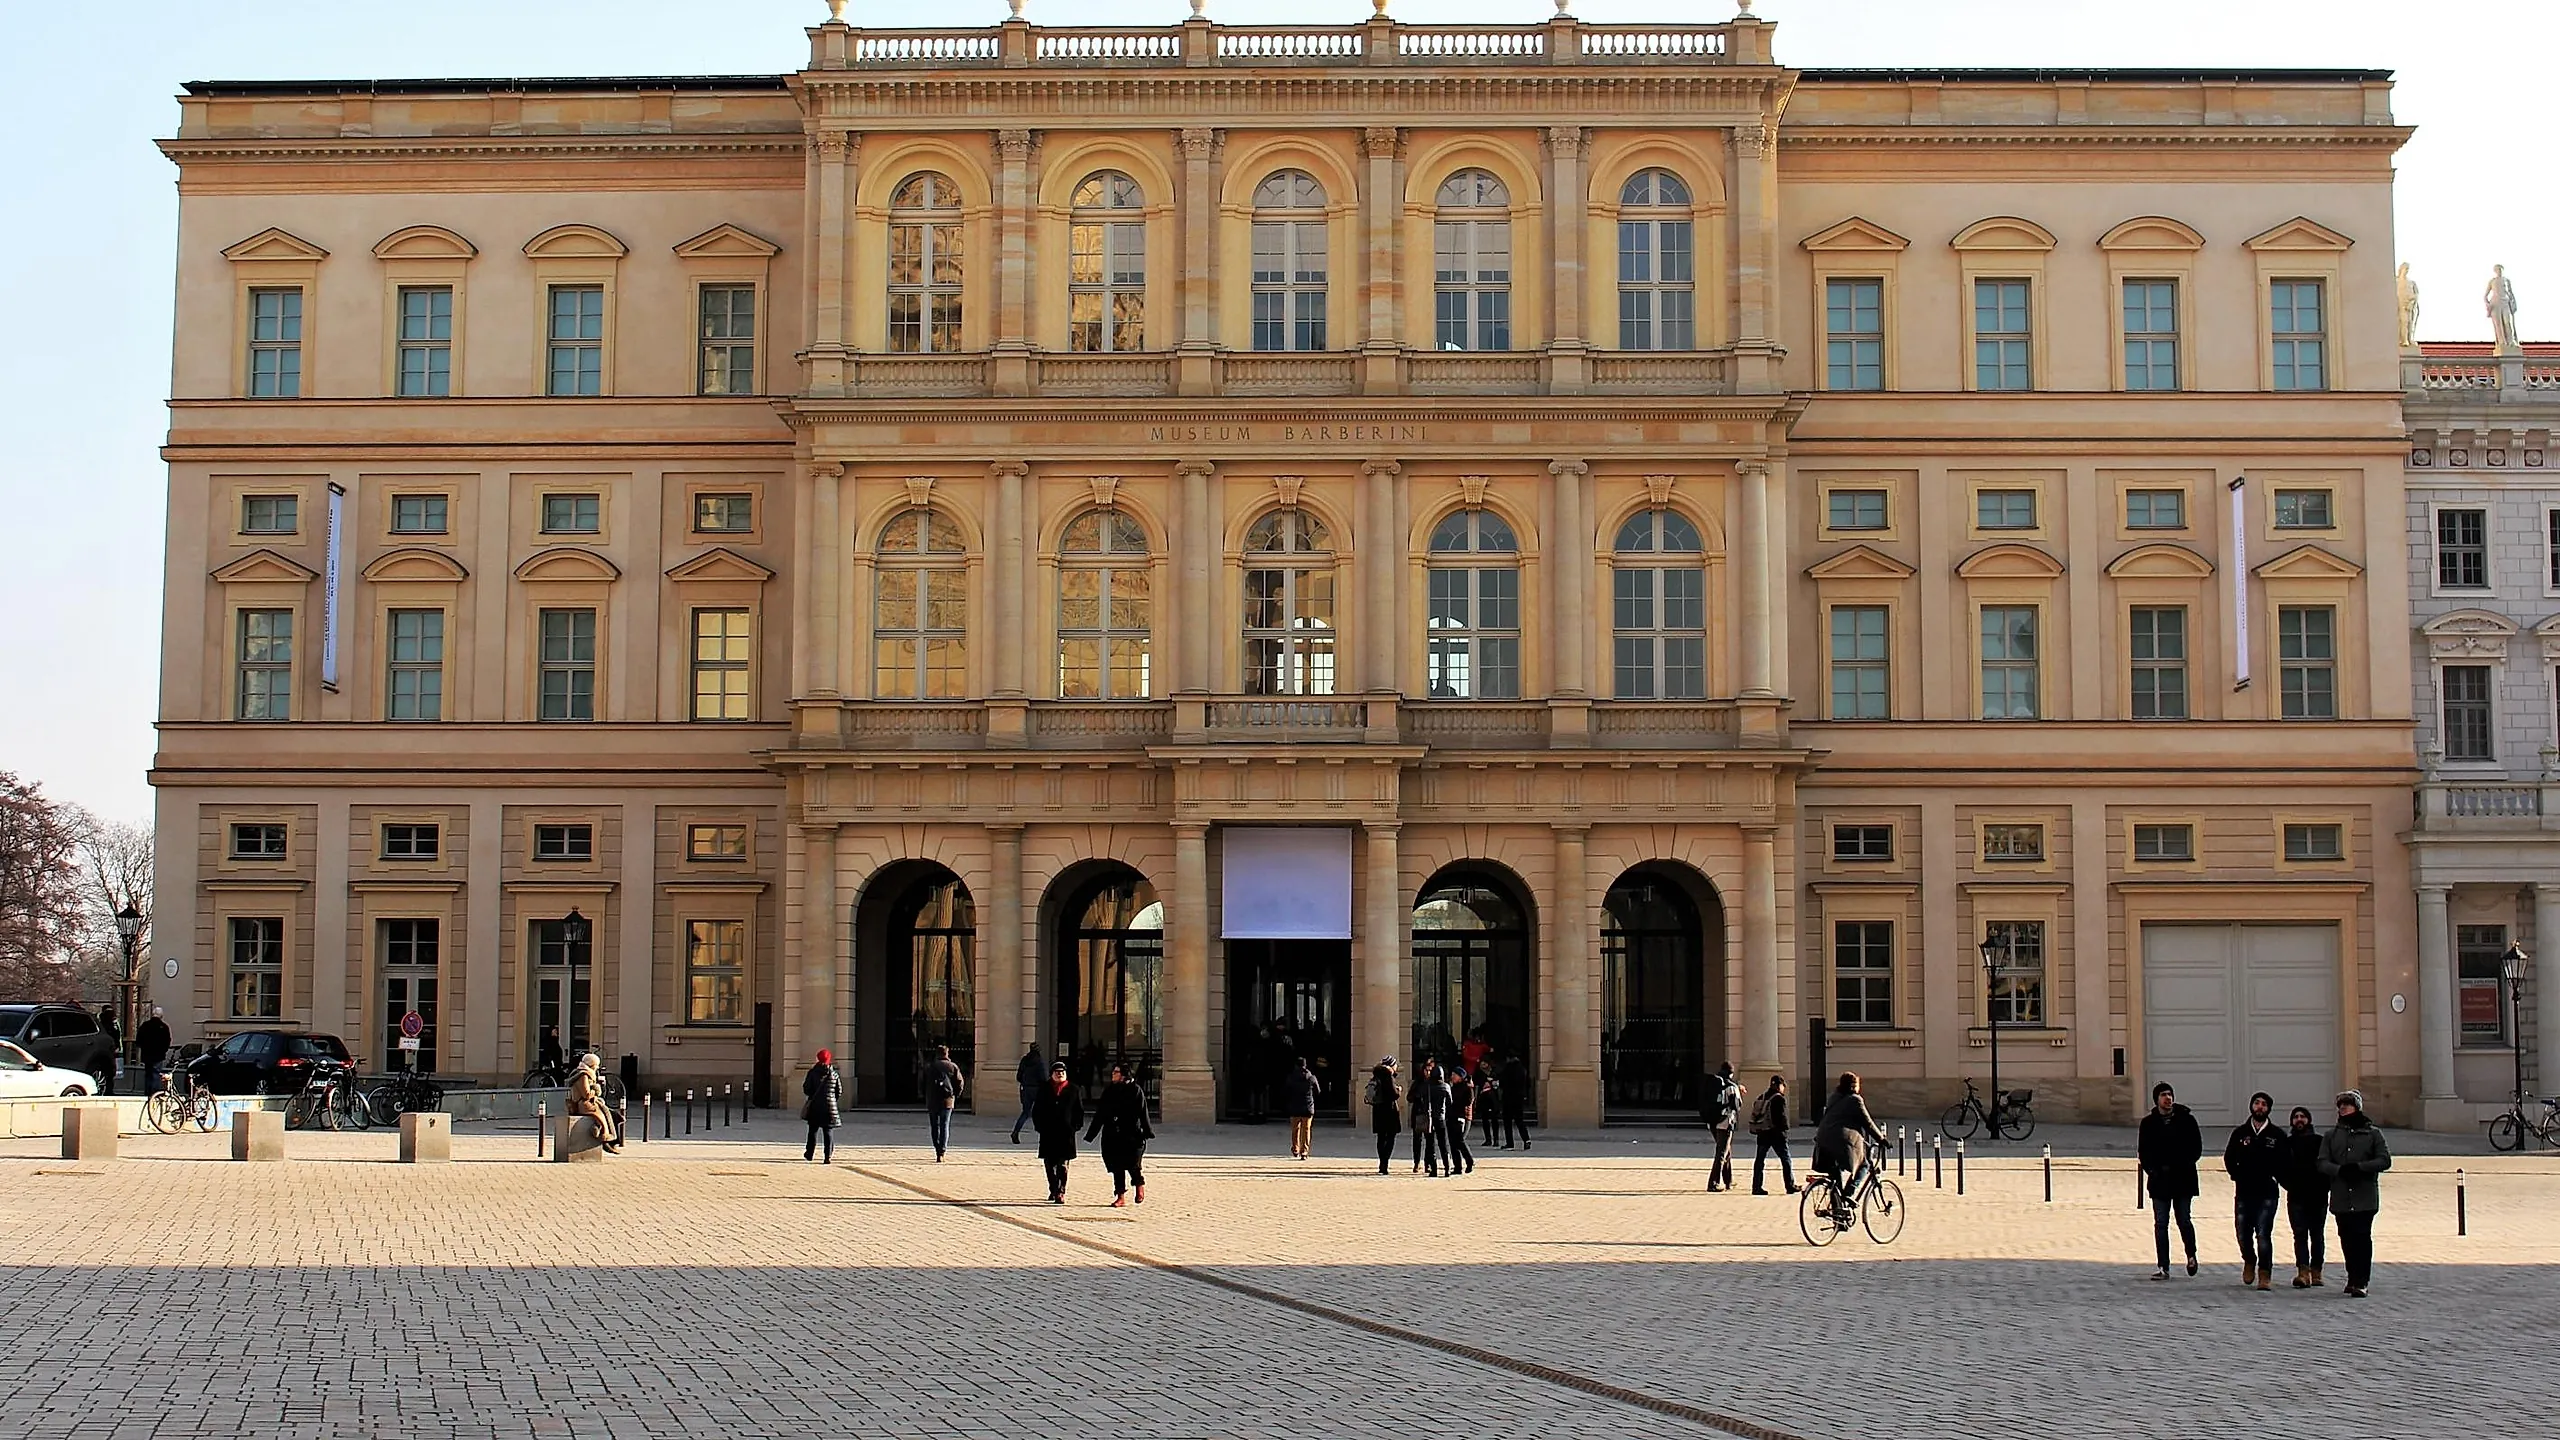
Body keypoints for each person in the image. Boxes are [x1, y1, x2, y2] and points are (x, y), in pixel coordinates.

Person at [2318, 1089, 2392, 1298]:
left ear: (2356, 1108)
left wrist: (2360, 1167)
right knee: (2346, 1238)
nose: (2343, 1108)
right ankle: (2352, 1276)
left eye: (2347, 1104)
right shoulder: (2331, 1135)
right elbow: (2322, 1162)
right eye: (2341, 1105)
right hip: (2341, 1196)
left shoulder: (2373, 1134)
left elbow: (2384, 1160)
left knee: (2362, 1238)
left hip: (2364, 1196)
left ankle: (2361, 1280)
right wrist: (2338, 1170)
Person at [2137, 1082, 2202, 1280]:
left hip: (2183, 1179)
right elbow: (2144, 1152)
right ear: (2156, 1099)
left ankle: (2191, 1255)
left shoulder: (2186, 1120)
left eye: (2170, 1094)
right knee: (2161, 1223)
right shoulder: (2148, 1123)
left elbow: (2196, 1149)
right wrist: (2153, 1171)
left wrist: (2182, 1165)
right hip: (2160, 1181)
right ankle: (2163, 1266)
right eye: (2163, 1095)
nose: (2168, 1098)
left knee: (2184, 1220)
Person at [2222, 1091, 2286, 1291]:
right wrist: (2237, 1174)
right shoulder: (2240, 1133)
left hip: (2267, 1192)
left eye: (2264, 1104)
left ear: (2269, 1109)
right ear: (2251, 1106)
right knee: (2243, 1233)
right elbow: (2229, 1157)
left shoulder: (2276, 1135)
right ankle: (2249, 1259)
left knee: (2263, 1233)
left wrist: (2276, 1177)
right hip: (2244, 1191)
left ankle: (2265, 1273)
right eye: (2257, 1103)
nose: (2260, 1107)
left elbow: (2286, 1160)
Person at [1810, 1072, 1885, 1223]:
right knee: (1864, 1164)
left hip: (1823, 1139)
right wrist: (1882, 1139)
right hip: (1840, 1141)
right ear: (1853, 1086)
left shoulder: (1834, 1097)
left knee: (1835, 1179)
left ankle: (1839, 1217)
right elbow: (1867, 1122)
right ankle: (1849, 1194)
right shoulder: (1855, 1100)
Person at [1083, 1062, 1155, 1206]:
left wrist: (1147, 1132)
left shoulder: (1135, 1090)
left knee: (1133, 1164)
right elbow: (1100, 1113)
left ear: (1123, 1075)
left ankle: (1139, 1186)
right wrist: (1091, 1134)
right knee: (1116, 1166)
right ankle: (1120, 1196)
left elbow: (1143, 1113)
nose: (1113, 1074)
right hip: (1112, 1134)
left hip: (1131, 1134)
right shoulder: (1109, 1090)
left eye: (1116, 1072)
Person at [2279, 1104, 2330, 1288]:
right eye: (2296, 1117)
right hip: (2296, 1196)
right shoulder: (2287, 1143)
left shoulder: (2320, 1141)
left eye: (2302, 1116)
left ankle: (2317, 1271)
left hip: (2318, 1195)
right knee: (2299, 1235)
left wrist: (2325, 1187)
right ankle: (2302, 1271)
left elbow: (2327, 1166)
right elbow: (2281, 1168)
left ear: (2309, 1120)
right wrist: (2289, 1185)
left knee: (2317, 1235)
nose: (2299, 1119)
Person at [1030, 1061, 1083, 1203]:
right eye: (1057, 1072)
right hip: (1048, 1132)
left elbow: (1079, 1111)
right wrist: (1039, 1126)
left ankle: (1060, 1191)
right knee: (1049, 1164)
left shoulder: (1073, 1089)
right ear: (1052, 1074)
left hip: (1066, 1134)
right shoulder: (1044, 1088)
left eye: (1062, 1072)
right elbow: (1037, 1110)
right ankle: (1053, 1188)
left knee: (1063, 1164)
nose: (1060, 1074)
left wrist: (1075, 1126)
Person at [1748, 1073, 1797, 1195]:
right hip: (1776, 1134)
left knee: (1759, 1160)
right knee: (1786, 1159)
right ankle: (1790, 1185)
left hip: (1763, 1132)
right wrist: (1785, 1131)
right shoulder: (1779, 1098)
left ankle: (1756, 1187)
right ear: (1780, 1085)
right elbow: (1781, 1118)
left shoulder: (1762, 1096)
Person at [567, 1052, 622, 1153]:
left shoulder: (587, 1074)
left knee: (614, 1115)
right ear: (592, 1065)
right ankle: (605, 1139)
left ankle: (602, 1132)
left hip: (589, 1102)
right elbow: (586, 1094)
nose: (597, 1068)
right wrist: (596, 1089)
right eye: (596, 1065)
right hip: (584, 1104)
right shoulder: (583, 1075)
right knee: (605, 1114)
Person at [922, 1044, 965, 1162]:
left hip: (933, 1100)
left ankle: (937, 1149)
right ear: (947, 1053)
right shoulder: (953, 1067)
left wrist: (926, 1095)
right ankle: (942, 1151)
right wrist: (955, 1095)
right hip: (947, 1101)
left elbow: (923, 1083)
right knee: (944, 1125)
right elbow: (960, 1083)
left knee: (934, 1126)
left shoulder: (930, 1067)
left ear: (937, 1054)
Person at [1704, 1061, 1743, 1192]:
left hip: (1712, 1122)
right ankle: (1713, 1183)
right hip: (1725, 1122)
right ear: (1731, 1073)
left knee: (1726, 1151)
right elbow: (1736, 1106)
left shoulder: (1713, 1084)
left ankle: (1728, 1180)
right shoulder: (1732, 1087)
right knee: (1722, 1153)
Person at [802, 1048, 843, 1164]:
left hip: (815, 1105)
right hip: (829, 1107)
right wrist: (832, 1100)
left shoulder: (812, 1072)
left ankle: (809, 1154)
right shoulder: (834, 1074)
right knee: (828, 1131)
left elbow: (806, 1089)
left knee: (812, 1131)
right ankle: (827, 1156)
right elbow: (839, 1091)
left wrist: (812, 1096)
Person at [1366, 1056, 1403, 1175]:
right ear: (1391, 1065)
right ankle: (1384, 1163)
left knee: (1381, 1137)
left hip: (1378, 1110)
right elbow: (1393, 1094)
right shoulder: (1388, 1076)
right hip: (1389, 1111)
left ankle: (1382, 1162)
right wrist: (1399, 1090)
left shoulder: (1376, 1075)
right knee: (1391, 1136)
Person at [1409, 1058, 1444, 1176]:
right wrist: (1418, 1096)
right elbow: (1409, 1097)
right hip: (1419, 1113)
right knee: (1417, 1140)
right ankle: (1416, 1162)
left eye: (1430, 1070)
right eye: (1426, 1070)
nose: (1428, 1073)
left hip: (1431, 1114)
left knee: (1430, 1141)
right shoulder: (1418, 1082)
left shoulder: (1436, 1083)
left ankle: (1428, 1163)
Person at [1282, 1056, 1321, 1160]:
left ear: (1296, 1065)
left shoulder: (1291, 1078)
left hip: (1294, 1107)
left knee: (1295, 1129)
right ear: (1305, 1065)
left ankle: (1295, 1149)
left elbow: (1285, 1091)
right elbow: (1318, 1091)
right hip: (1308, 1107)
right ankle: (1304, 1151)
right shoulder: (1311, 1077)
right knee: (1306, 1130)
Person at [1444, 1063, 1477, 1176]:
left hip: (1462, 1117)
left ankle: (1469, 1160)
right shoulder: (1452, 1087)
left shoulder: (1467, 1088)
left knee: (1459, 1140)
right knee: (1453, 1143)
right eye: (1452, 1074)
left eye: (1455, 1075)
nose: (1452, 1077)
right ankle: (1457, 1167)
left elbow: (1468, 1102)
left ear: (1461, 1077)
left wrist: (1455, 1104)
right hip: (1451, 1117)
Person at [1010, 1045, 1044, 1145]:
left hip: (1025, 1088)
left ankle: (1016, 1132)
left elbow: (1018, 1076)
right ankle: (1043, 1135)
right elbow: (1043, 1077)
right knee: (1040, 1113)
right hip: (1037, 1089)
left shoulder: (1024, 1060)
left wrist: (1025, 1082)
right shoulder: (1039, 1062)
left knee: (1025, 1112)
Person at [1497, 1051, 1531, 1150]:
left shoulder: (1507, 1069)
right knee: (1520, 1120)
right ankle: (1526, 1140)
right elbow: (1528, 1083)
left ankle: (1510, 1143)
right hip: (1519, 1098)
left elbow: (1502, 1082)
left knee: (1507, 1122)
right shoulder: (1522, 1069)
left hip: (1508, 1097)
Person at [136, 1005, 172, 1088]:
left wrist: (144, 1048)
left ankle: (148, 1092)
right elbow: (167, 1041)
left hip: (147, 1054)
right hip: (158, 1055)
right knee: (156, 1074)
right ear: (161, 1015)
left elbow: (139, 1040)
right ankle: (154, 1093)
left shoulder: (145, 1025)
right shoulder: (164, 1027)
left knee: (148, 1074)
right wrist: (164, 1050)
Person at [96, 1006, 120, 1093]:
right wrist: (117, 1047)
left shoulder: (100, 1024)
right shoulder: (114, 1025)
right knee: (110, 1072)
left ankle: (100, 1088)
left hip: (101, 1050)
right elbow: (117, 1036)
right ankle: (109, 1090)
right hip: (111, 1050)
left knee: (101, 1070)